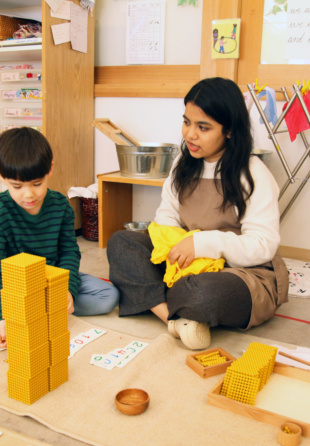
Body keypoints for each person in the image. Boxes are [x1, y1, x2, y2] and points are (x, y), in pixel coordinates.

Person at [107, 77, 288, 350]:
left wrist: (202, 244)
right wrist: (174, 251)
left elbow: (262, 246)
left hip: (239, 272)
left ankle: (170, 300)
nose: (190, 134)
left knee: (200, 293)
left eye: (203, 127)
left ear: (229, 130)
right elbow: (166, 218)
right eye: (187, 122)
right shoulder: (183, 163)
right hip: (185, 260)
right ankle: (172, 318)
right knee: (122, 243)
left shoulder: (253, 173)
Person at [0, 127, 119, 348]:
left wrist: (68, 290)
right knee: (3, 319)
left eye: (37, 184)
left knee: (108, 296)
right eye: (17, 186)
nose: (29, 195)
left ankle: (37, 311)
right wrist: (1, 318)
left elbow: (68, 252)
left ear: (50, 169)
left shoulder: (60, 206)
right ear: (2, 177)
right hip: (16, 289)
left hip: (52, 280)